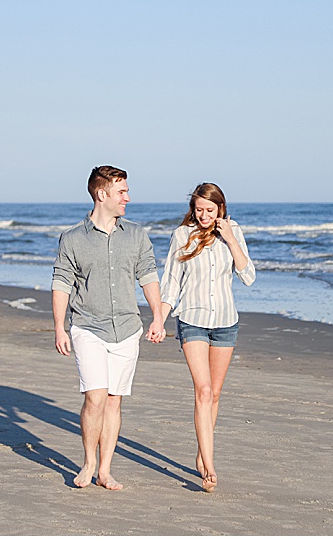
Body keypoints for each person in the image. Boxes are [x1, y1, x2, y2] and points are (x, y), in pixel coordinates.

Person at [52, 165, 166, 490]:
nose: (127, 197)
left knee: (114, 400)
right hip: (87, 326)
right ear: (102, 195)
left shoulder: (136, 235)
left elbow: (148, 276)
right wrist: (59, 327)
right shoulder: (73, 239)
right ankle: (88, 462)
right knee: (95, 398)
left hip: (128, 329)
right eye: (121, 192)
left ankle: (105, 469)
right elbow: (61, 282)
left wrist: (157, 316)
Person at [158, 182, 255, 493]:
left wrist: (229, 238)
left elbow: (248, 275)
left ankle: (202, 451)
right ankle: (209, 465)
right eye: (199, 209)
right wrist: (159, 319)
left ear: (221, 209)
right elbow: (171, 283)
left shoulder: (233, 231)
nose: (203, 215)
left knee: (214, 394)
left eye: (210, 210)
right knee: (202, 390)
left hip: (226, 322)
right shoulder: (181, 236)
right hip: (192, 320)